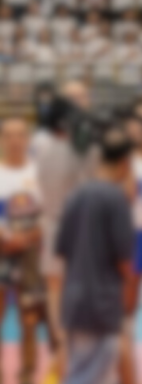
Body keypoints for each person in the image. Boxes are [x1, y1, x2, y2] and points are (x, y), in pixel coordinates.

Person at [56, 128, 138, 383]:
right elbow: (124, 261)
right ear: (125, 162)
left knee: (81, 369)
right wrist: (128, 302)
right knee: (90, 375)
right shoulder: (116, 199)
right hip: (102, 304)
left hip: (74, 301)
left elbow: (63, 252)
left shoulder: (75, 195)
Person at [0, 118, 45, 384]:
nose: (15, 140)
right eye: (9, 135)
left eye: (20, 135)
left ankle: (27, 375)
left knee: (29, 319)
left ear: (27, 140)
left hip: (31, 255)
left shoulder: (37, 176)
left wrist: (27, 238)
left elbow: (49, 217)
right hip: (2, 252)